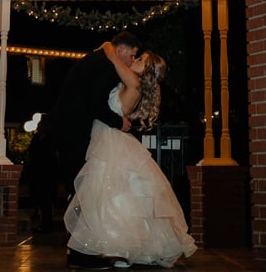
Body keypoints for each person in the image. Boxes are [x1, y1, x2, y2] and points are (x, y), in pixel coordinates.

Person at [64, 42, 197, 269]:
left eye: (140, 59)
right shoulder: (131, 82)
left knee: (109, 194)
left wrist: (108, 47)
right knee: (112, 194)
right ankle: (117, 248)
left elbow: (114, 58)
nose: (135, 60)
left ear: (145, 70)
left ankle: (119, 248)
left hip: (109, 140)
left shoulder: (133, 81)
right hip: (108, 136)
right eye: (137, 57)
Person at [53, 30, 142, 269]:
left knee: (82, 191)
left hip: (71, 131)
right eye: (132, 55)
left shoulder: (97, 60)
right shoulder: (104, 66)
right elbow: (94, 103)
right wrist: (118, 122)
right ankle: (82, 254)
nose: (132, 61)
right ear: (121, 49)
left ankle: (79, 250)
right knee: (85, 192)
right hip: (74, 134)